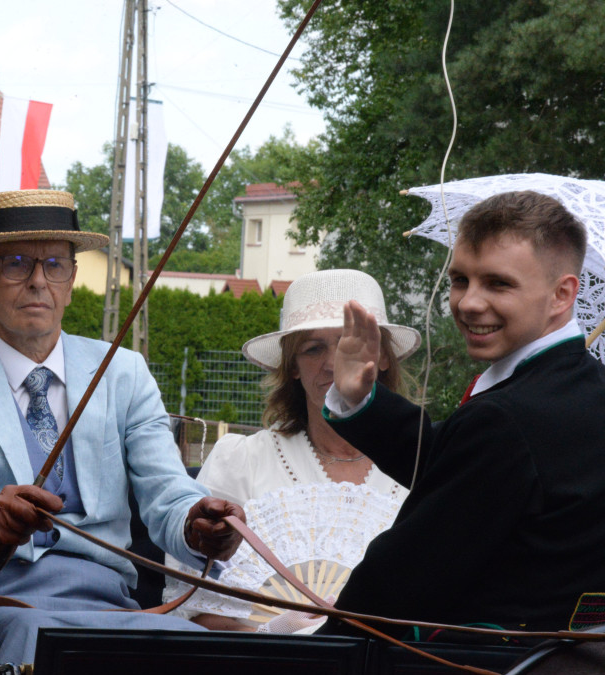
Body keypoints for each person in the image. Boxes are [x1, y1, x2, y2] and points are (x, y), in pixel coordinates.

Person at [0, 189, 245, 673]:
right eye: (16, 263)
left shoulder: (124, 373)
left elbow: (169, 494)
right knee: (36, 641)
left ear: (72, 280)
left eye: (55, 264)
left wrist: (198, 525)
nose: (39, 281)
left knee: (206, 650)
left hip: (108, 604)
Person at [321, 190, 605, 638]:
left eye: (498, 283)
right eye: (459, 280)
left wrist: (319, 648)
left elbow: (400, 580)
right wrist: (361, 399)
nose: (468, 302)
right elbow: (463, 471)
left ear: (561, 294)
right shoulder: (580, 388)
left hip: (478, 659)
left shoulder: (507, 418)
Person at [164, 269, 417, 633]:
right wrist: (272, 635)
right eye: (314, 348)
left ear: (382, 357)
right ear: (293, 366)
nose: (333, 362)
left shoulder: (421, 467)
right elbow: (198, 604)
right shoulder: (242, 462)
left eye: (350, 343)